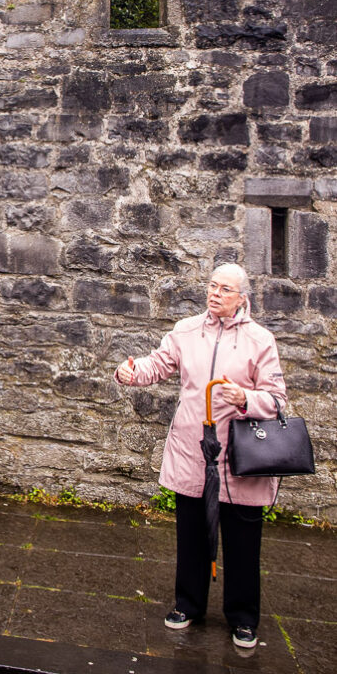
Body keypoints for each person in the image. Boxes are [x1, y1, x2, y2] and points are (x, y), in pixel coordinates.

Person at [114, 263, 286, 650]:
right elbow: (158, 364)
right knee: (190, 536)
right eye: (212, 286)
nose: (215, 293)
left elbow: (277, 401)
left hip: (242, 459)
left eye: (226, 289)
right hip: (193, 452)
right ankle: (187, 605)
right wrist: (130, 372)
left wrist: (246, 398)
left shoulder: (261, 340)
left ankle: (243, 618)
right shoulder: (186, 330)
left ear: (243, 298)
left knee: (243, 543)